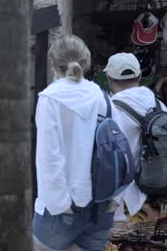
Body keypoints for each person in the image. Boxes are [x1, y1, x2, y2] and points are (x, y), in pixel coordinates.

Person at [33, 35, 118, 251]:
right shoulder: (103, 97)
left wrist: (63, 206)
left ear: (54, 64)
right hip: (100, 207)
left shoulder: (50, 99)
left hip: (61, 210)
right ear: (86, 62)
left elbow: (49, 159)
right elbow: (117, 151)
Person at [104, 53, 167, 221]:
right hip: (159, 195)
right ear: (140, 76)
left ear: (109, 79)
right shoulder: (159, 106)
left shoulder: (108, 113)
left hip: (125, 202)